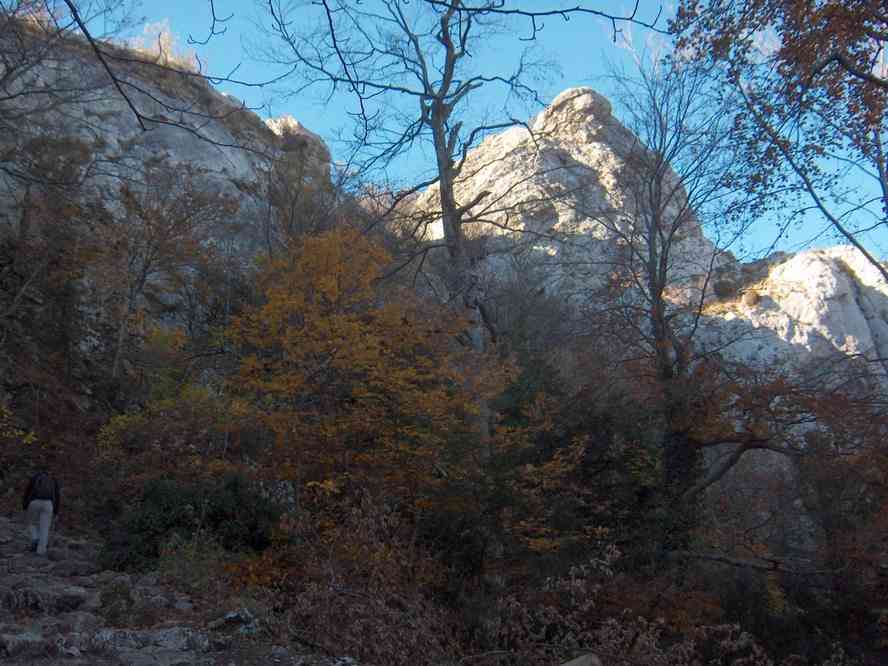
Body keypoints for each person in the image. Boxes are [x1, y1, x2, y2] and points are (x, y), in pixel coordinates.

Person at [22, 471, 60, 555]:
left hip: (34, 502)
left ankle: (35, 538)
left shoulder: (35, 477)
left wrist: (24, 506)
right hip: (48, 504)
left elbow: (27, 492)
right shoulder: (53, 480)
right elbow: (57, 496)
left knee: (31, 523)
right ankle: (41, 551)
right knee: (45, 528)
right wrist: (56, 512)